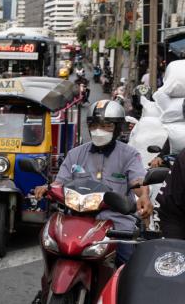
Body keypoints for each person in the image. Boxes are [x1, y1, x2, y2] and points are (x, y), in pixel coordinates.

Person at [33, 100, 152, 265]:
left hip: (116, 223)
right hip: (76, 220)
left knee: (127, 269)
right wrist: (46, 188)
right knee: (52, 252)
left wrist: (144, 196)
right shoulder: (75, 154)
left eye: (107, 125)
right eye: (94, 125)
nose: (99, 131)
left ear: (118, 128)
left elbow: (138, 181)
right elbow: (60, 182)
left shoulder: (129, 155)